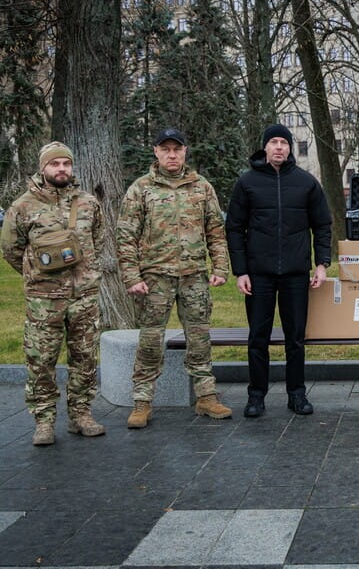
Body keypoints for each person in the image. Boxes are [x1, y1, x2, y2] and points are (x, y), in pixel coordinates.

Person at [116, 127, 232, 428]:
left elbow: (216, 232)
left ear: (185, 151)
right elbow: (125, 236)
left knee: (199, 338)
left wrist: (220, 267)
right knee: (151, 340)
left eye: (176, 149)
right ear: (155, 151)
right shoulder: (141, 188)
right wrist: (131, 276)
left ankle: (206, 397)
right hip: (155, 277)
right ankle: (142, 402)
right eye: (165, 149)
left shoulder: (201, 187)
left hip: (194, 275)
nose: (171, 154)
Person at [1, 142, 106, 445]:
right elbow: (11, 249)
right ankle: (44, 420)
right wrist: (37, 274)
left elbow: (97, 241)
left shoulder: (88, 203)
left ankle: (81, 414)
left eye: (66, 164)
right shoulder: (23, 206)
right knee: (41, 360)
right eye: (55, 164)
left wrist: (84, 275)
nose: (61, 169)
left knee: (85, 357)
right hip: (44, 300)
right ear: (43, 167)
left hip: (83, 297)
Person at [226, 124, 332, 418]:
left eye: (284, 143)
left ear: (289, 148)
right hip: (258, 274)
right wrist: (241, 271)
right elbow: (234, 228)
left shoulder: (306, 183)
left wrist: (322, 264)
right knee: (257, 337)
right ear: (265, 147)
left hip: (296, 274)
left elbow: (322, 224)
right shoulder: (247, 183)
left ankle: (297, 395)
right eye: (273, 142)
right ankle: (256, 395)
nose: (279, 147)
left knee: (295, 338)